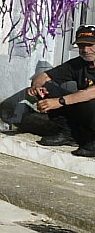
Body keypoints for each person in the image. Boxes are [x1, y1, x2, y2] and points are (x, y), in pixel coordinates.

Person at [29, 25, 95, 156]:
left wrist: (60, 101)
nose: (86, 50)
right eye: (81, 46)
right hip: (86, 114)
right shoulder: (78, 64)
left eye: (91, 45)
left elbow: (91, 92)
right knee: (46, 89)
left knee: (88, 98)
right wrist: (36, 86)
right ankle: (68, 134)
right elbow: (43, 76)